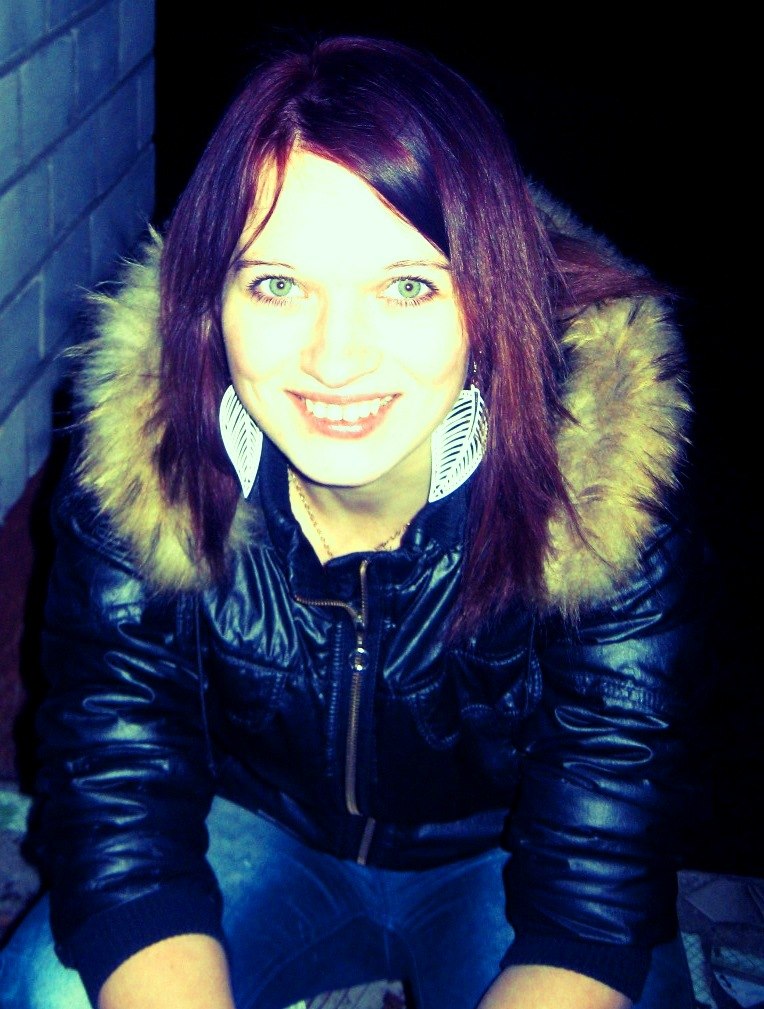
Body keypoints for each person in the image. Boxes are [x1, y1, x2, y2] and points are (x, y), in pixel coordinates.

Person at [0, 32, 703, 1009]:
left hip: (502, 855)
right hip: (253, 819)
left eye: (407, 285)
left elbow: (597, 871)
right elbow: (116, 765)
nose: (335, 359)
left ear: (490, 301)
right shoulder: (146, 453)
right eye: (277, 284)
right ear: (210, 300)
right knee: (53, 990)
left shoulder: (596, 481)